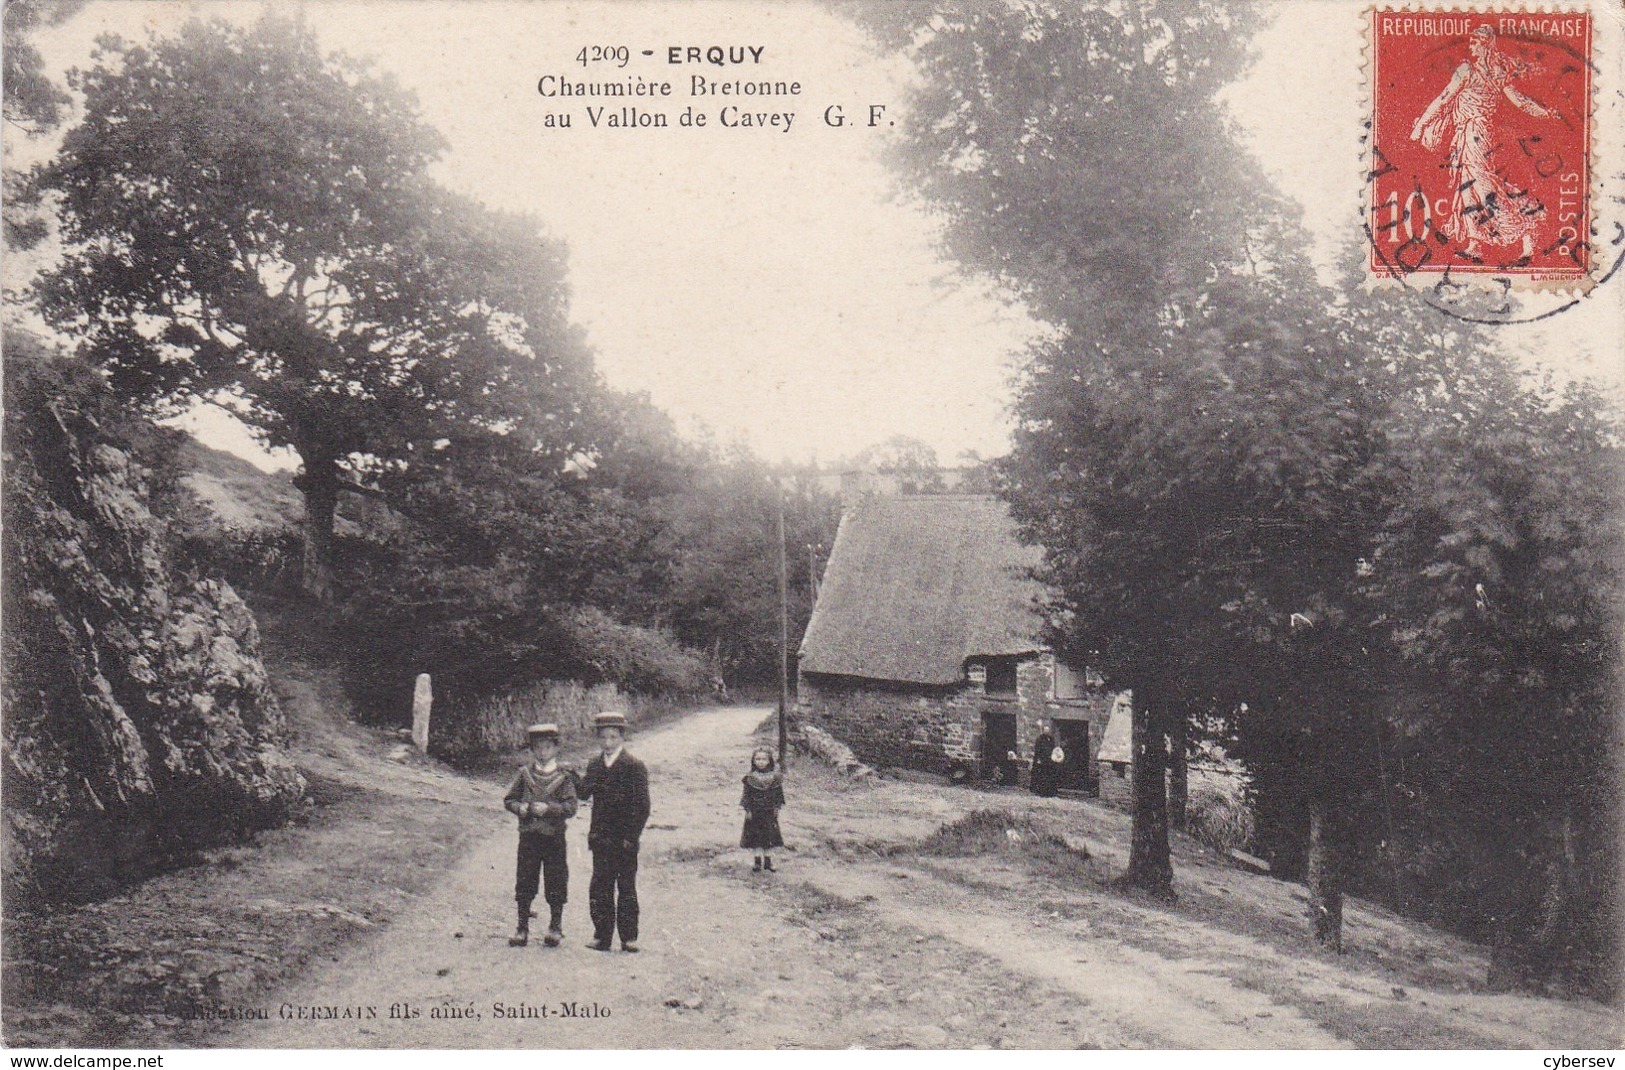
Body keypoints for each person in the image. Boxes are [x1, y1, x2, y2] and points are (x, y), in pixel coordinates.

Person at [1410, 25, 1556, 261]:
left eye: (1477, 42)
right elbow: (1519, 101)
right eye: (1472, 42)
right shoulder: (1489, 71)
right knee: (1467, 187)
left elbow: (1444, 100)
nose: (1472, 46)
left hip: (1475, 134)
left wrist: (1419, 128)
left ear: (1487, 45)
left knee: (1486, 188)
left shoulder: (1474, 71)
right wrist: (1545, 113)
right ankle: (1475, 244)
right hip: (1469, 134)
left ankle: (1527, 230)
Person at [576, 710, 650, 953]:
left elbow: (642, 806)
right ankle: (602, 935)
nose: (608, 743)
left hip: (625, 839)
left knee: (626, 886)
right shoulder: (595, 765)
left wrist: (632, 836)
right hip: (602, 837)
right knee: (600, 886)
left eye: (613, 737)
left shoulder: (634, 766)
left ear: (622, 738)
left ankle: (628, 937)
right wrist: (570, 777)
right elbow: (584, 792)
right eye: (603, 738)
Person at [501, 723, 577, 948]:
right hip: (529, 837)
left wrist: (550, 809)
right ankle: (521, 927)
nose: (543, 753)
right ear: (532, 750)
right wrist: (520, 809)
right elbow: (509, 800)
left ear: (555, 749)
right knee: (525, 879)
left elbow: (571, 807)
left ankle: (555, 926)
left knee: (556, 879)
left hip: (554, 838)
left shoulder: (564, 777)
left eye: (547, 747)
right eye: (538, 748)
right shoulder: (524, 775)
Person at [740, 747, 785, 872]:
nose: (760, 762)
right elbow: (746, 795)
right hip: (755, 812)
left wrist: (777, 807)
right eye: (757, 759)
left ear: (769, 761)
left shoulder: (775, 778)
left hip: (769, 812)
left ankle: (768, 862)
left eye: (764, 759)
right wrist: (748, 809)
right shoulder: (750, 778)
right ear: (753, 761)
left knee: (769, 836)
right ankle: (757, 862)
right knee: (756, 837)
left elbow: (778, 795)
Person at [1030, 723, 1060, 798]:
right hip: (1042, 761)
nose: (1046, 731)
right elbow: (1037, 750)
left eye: (1048, 730)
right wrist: (1038, 760)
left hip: (1050, 761)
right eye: (1045, 730)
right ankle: (1041, 792)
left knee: (1049, 776)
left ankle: (1050, 792)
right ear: (1043, 731)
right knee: (1042, 776)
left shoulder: (1050, 739)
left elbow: (1053, 749)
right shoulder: (1039, 739)